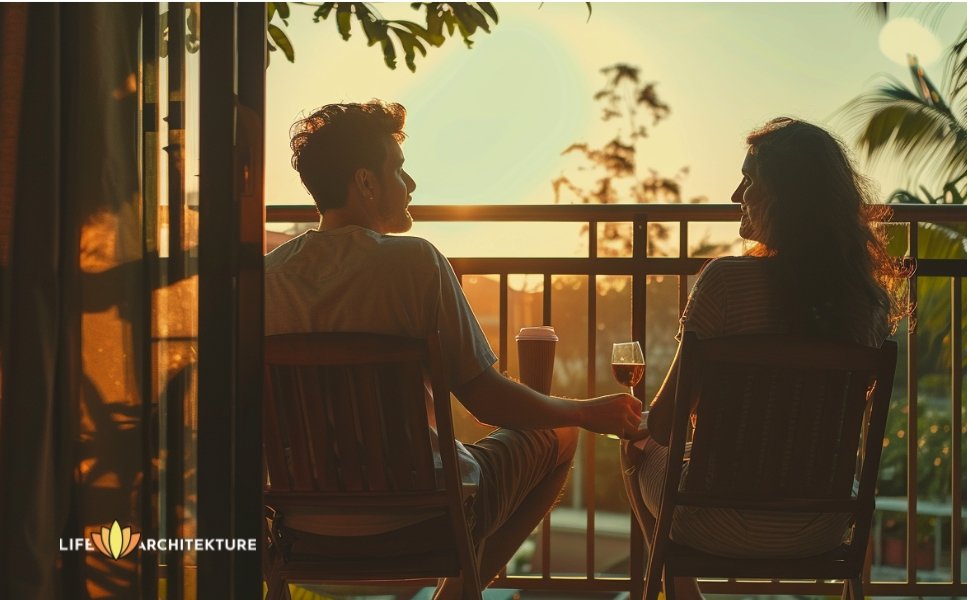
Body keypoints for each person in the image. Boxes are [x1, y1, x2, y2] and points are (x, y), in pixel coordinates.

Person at [265, 100, 643, 598]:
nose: (411, 185)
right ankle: (457, 593)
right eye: (397, 169)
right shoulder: (416, 263)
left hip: (302, 524)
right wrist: (585, 411)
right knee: (562, 436)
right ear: (366, 183)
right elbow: (485, 401)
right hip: (423, 516)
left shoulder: (267, 278)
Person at [620, 117, 909, 599]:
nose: (736, 194)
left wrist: (632, 420)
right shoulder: (867, 302)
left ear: (785, 198)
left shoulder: (724, 284)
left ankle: (678, 592)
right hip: (824, 525)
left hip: (712, 522)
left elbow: (667, 422)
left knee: (634, 445)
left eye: (749, 181)